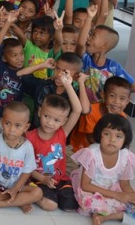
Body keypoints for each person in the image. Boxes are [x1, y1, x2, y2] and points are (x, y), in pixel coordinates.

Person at [71, 114, 135, 225]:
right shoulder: (92, 153)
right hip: (93, 190)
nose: (112, 140)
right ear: (100, 135)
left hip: (114, 188)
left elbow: (125, 184)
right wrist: (118, 195)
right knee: (92, 202)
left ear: (125, 139)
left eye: (118, 136)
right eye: (107, 134)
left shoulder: (126, 156)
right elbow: (85, 185)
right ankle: (107, 214)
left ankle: (105, 217)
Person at [0, 102, 43, 213]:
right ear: (2, 122)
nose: (11, 129)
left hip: (18, 185)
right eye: (7, 123)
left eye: (18, 125)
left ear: (26, 127)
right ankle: (18, 201)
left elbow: (27, 172)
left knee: (38, 193)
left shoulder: (27, 147)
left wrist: (15, 189)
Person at [26, 82, 82, 211]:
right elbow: (25, 166)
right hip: (38, 179)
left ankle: (53, 194)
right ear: (40, 111)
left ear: (64, 121)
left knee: (71, 206)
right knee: (51, 205)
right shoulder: (29, 137)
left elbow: (77, 110)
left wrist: (68, 85)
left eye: (57, 120)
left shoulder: (62, 133)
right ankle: (31, 194)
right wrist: (43, 179)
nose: (50, 123)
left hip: (60, 180)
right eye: (47, 116)